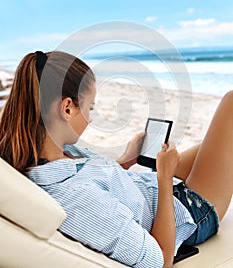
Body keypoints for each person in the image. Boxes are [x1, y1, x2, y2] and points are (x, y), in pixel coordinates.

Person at [0, 50, 232, 268]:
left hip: (153, 190)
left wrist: (125, 162)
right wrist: (163, 177)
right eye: (90, 108)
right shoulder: (75, 198)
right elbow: (160, 260)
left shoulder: (55, 154)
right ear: (67, 108)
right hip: (189, 212)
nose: (90, 119)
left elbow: (100, 186)